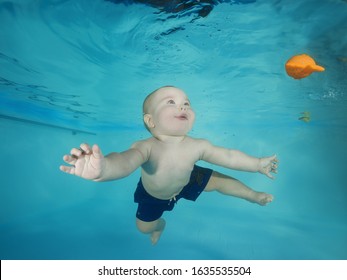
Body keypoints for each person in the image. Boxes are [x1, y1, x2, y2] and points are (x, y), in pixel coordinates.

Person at [60, 86, 278, 245]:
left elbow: (229, 156)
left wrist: (257, 164)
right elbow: (125, 161)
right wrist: (104, 168)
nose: (182, 105)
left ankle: (252, 195)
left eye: (187, 102)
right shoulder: (146, 147)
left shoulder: (198, 145)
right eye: (170, 102)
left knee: (220, 181)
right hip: (154, 195)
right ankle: (159, 225)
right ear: (150, 121)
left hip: (188, 178)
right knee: (143, 227)